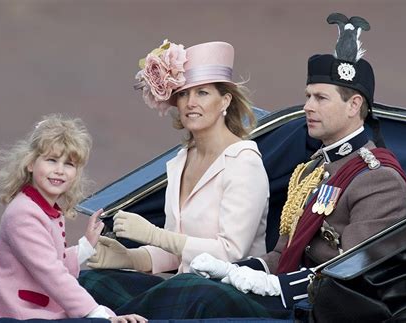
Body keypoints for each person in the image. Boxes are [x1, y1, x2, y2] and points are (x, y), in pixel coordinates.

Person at [113, 13, 406, 319]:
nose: (308, 106)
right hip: (285, 293)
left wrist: (267, 284)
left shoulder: (378, 179)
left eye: (321, 98)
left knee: (192, 291)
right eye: (308, 96)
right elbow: (282, 255)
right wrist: (234, 272)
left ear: (354, 106)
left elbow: (347, 276)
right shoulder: (311, 170)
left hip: (313, 309)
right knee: (118, 283)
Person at [80, 40, 269, 309]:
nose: (191, 103)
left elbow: (230, 253)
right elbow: (175, 253)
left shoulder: (243, 162)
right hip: (186, 287)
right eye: (182, 94)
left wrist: (152, 234)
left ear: (225, 100)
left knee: (180, 289)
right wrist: (128, 259)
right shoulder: (180, 161)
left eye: (202, 93)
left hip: (232, 290)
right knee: (92, 283)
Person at [0, 114, 146, 322]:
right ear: (31, 164)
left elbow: (52, 259)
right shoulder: (23, 214)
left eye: (69, 164)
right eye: (52, 160)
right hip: (7, 308)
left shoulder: (44, 207)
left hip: (28, 301)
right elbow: (51, 272)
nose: (60, 171)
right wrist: (96, 314)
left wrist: (86, 247)